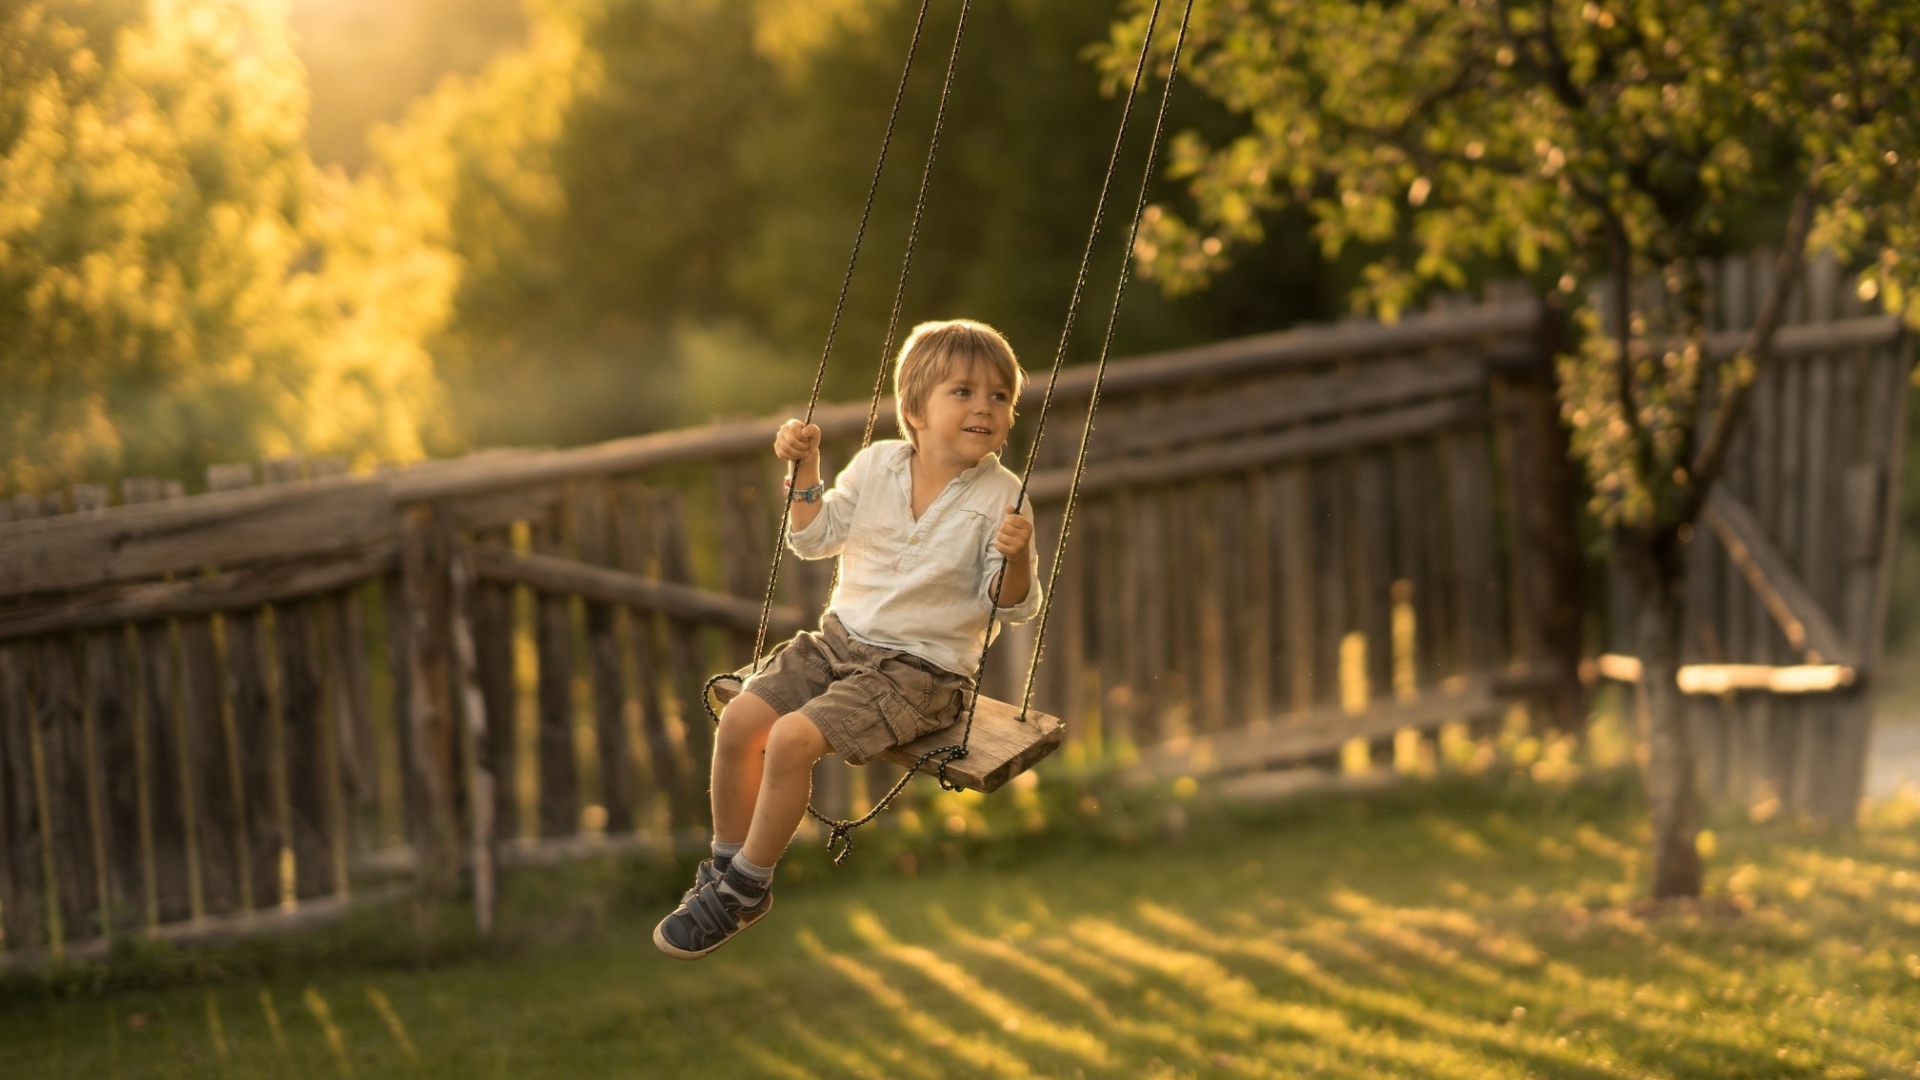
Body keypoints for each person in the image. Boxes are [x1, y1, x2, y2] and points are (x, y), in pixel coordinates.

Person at [653, 319, 1043, 960]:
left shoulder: (1004, 498)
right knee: (740, 719)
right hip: (837, 643)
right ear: (914, 410)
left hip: (921, 674)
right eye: (964, 392)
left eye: (999, 396)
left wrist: (1019, 557)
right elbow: (811, 539)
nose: (985, 407)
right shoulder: (877, 464)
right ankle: (725, 869)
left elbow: (1013, 607)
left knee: (789, 739)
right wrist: (804, 466)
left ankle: (750, 886)